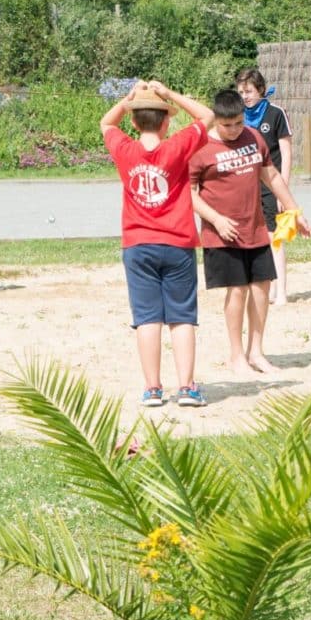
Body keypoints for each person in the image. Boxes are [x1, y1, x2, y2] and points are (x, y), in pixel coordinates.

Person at [101, 79, 218, 409]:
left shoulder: (125, 149)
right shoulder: (177, 146)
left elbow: (106, 123)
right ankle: (186, 387)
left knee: (147, 318)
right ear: (167, 121)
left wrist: (128, 100)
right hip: (177, 243)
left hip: (137, 244)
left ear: (134, 122)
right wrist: (169, 94)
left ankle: (153, 388)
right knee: (182, 318)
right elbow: (206, 116)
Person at [190, 88, 304, 376]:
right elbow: (189, 194)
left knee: (261, 288)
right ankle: (236, 355)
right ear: (216, 120)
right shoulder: (200, 147)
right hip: (223, 233)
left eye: (239, 122)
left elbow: (272, 176)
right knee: (237, 291)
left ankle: (257, 352)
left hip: (256, 228)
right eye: (227, 125)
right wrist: (216, 219)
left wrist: (293, 211)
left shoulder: (253, 138)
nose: (234, 130)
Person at [234, 67, 293, 304]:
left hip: (272, 185)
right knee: (255, 238)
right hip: (247, 186)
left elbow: (287, 154)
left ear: (260, 89)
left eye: (249, 91)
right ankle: (265, 288)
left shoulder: (276, 113)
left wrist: (283, 192)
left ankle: (282, 292)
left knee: (274, 237)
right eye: (241, 92)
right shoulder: (237, 116)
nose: (245, 96)